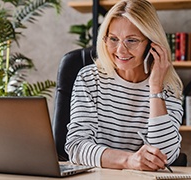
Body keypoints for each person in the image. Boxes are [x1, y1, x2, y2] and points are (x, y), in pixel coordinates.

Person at [65, 0, 183, 171]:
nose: (120, 50)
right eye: (113, 39)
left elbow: (163, 156)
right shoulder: (89, 78)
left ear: (152, 44)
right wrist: (129, 160)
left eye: (132, 40)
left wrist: (155, 88)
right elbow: (76, 146)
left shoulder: (169, 88)